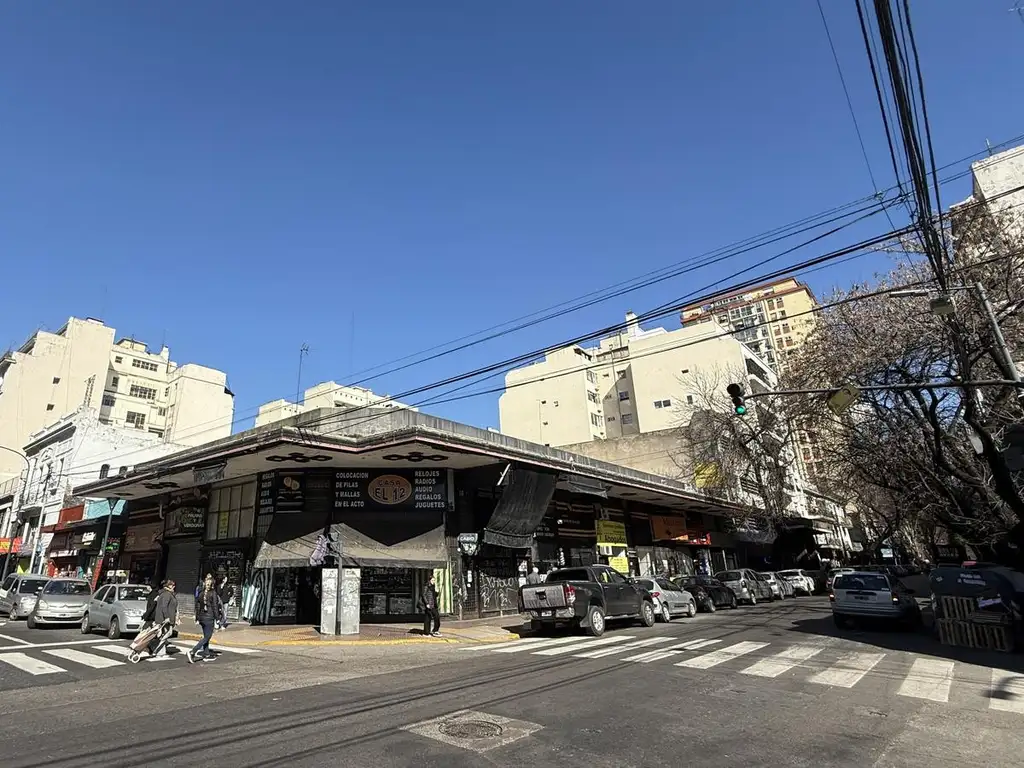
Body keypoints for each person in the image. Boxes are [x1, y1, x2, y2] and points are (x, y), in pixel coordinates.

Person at [188, 575, 224, 663]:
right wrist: (217, 618)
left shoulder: (201, 593)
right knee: (207, 637)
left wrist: (197, 617)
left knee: (206, 636)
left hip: (202, 618)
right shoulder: (213, 593)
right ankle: (193, 651)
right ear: (213, 585)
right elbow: (215, 607)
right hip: (209, 618)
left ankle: (206, 653)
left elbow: (197, 606)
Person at [149, 580, 179, 657]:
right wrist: (167, 617)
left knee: (164, 634)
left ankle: (159, 651)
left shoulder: (167, 594)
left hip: (166, 617)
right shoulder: (166, 594)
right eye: (172, 585)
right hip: (164, 618)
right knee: (167, 633)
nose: (174, 587)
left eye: (173, 585)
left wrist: (176, 616)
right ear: (167, 586)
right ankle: (156, 648)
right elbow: (164, 607)